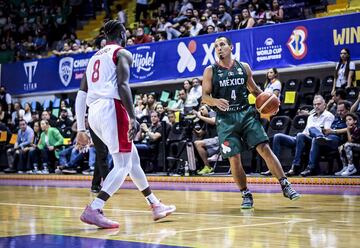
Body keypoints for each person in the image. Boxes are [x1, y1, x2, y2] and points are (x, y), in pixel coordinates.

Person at [75, 20, 175, 229]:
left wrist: (81, 128)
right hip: (112, 108)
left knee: (132, 160)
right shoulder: (122, 53)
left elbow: (81, 94)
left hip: (94, 113)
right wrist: (133, 117)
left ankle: (155, 204)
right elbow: (123, 85)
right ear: (121, 34)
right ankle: (94, 208)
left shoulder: (93, 58)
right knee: (122, 165)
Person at [202, 36, 300, 209]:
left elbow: (255, 90)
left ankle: (285, 184)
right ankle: (245, 193)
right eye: (216, 46)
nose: (219, 48)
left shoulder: (243, 67)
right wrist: (215, 101)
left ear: (231, 48)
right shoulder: (211, 70)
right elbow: (205, 97)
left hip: (246, 114)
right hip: (225, 120)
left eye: (222, 44)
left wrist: (269, 104)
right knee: (234, 158)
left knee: (264, 148)